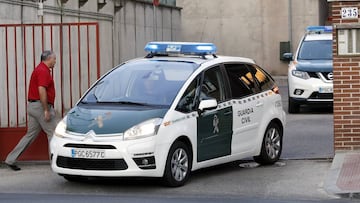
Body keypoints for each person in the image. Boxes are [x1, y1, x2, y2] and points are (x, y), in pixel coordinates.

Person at [5, 50, 57, 171]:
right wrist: (46, 110)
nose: (55, 61)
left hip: (33, 107)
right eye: (54, 59)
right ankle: (56, 162)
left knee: (30, 135)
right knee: (53, 134)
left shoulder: (39, 69)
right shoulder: (43, 71)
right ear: (48, 59)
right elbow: (41, 90)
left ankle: (10, 159)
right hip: (40, 107)